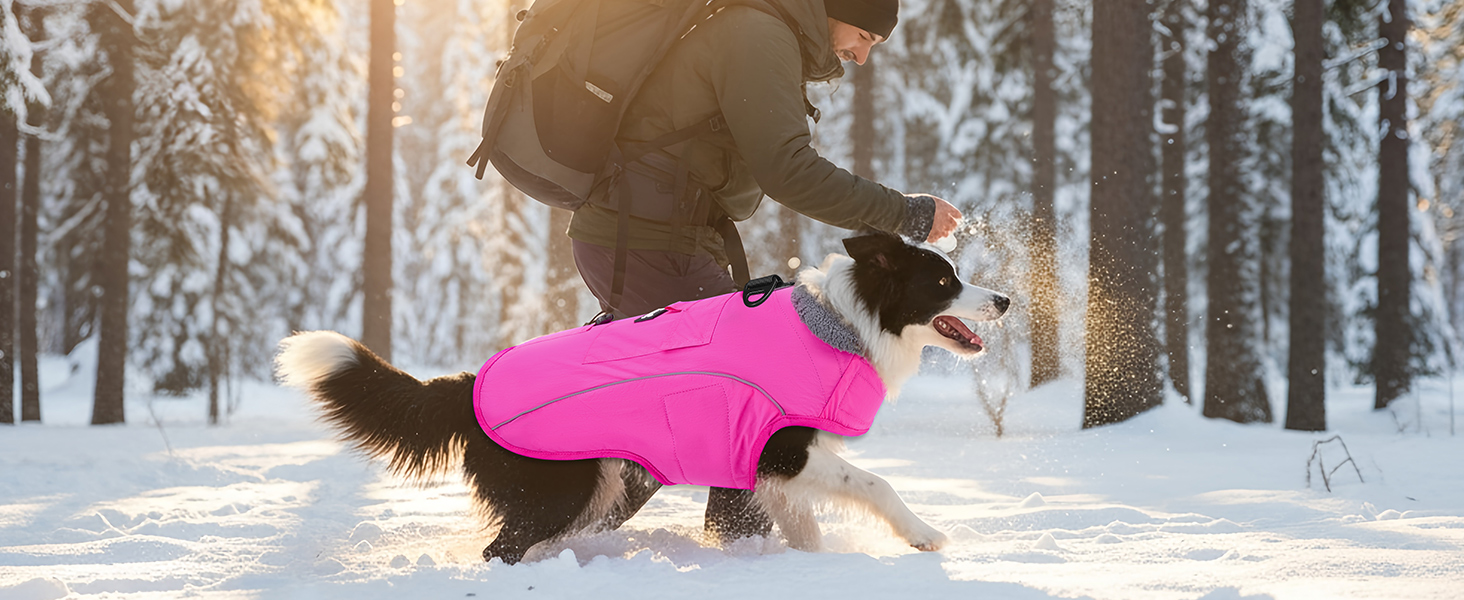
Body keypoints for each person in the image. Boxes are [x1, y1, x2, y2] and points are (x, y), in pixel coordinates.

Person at [568, 0, 962, 543]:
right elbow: (789, 171)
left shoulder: (766, 31)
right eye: (865, 35)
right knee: (746, 388)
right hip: (648, 240)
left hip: (658, 237)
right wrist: (905, 213)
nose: (863, 57)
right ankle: (737, 548)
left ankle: (586, 529)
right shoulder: (757, 33)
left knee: (696, 394)